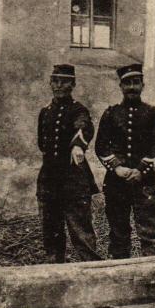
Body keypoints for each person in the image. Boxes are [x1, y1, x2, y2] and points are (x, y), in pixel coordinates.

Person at [95, 63, 155, 259]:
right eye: (127, 83)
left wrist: (140, 170)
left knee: (150, 232)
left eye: (136, 82)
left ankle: (154, 279)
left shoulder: (152, 113)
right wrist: (117, 168)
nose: (132, 87)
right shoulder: (111, 114)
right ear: (120, 86)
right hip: (116, 183)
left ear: (143, 85)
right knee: (118, 234)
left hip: (144, 183)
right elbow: (101, 145)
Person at [36, 64, 100, 264]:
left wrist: (78, 146)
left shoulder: (78, 109)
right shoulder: (45, 112)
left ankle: (91, 273)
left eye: (64, 81)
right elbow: (42, 144)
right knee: (51, 232)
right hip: (49, 179)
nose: (58, 86)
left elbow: (84, 126)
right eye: (54, 81)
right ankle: (55, 270)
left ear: (73, 84)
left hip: (74, 180)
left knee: (81, 232)